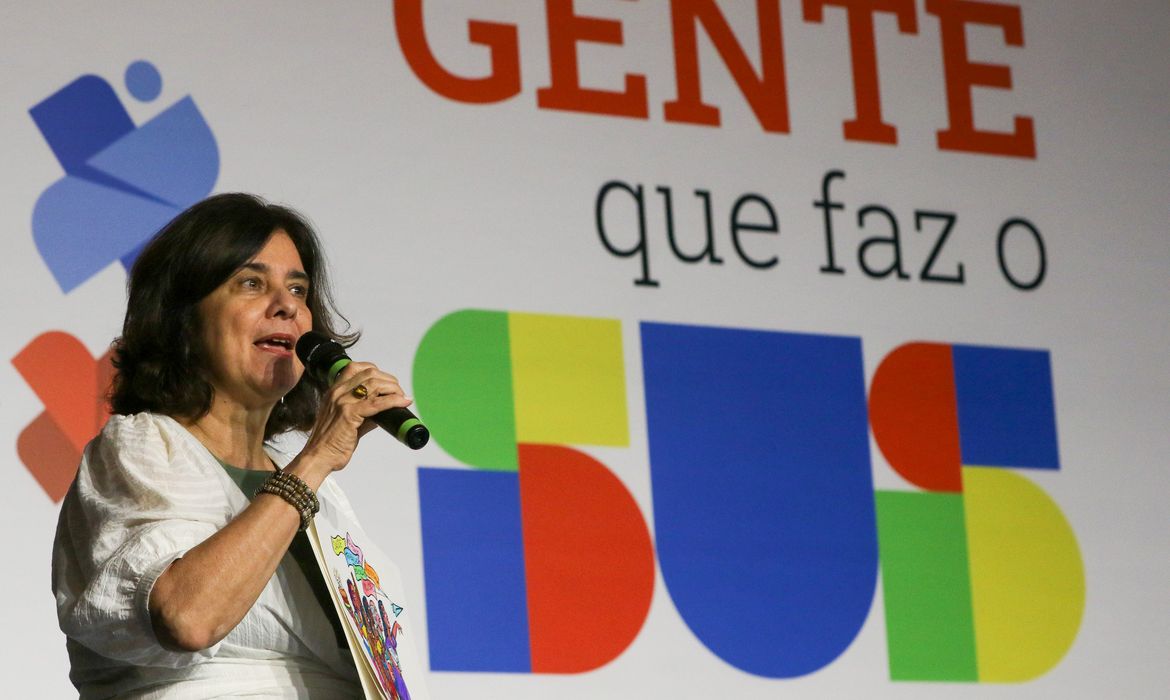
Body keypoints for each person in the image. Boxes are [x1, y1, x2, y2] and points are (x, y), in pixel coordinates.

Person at [52, 193, 413, 698]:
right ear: (185, 318)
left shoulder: (322, 496)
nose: (286, 304)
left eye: (298, 288)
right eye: (251, 283)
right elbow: (189, 619)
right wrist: (318, 457)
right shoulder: (141, 447)